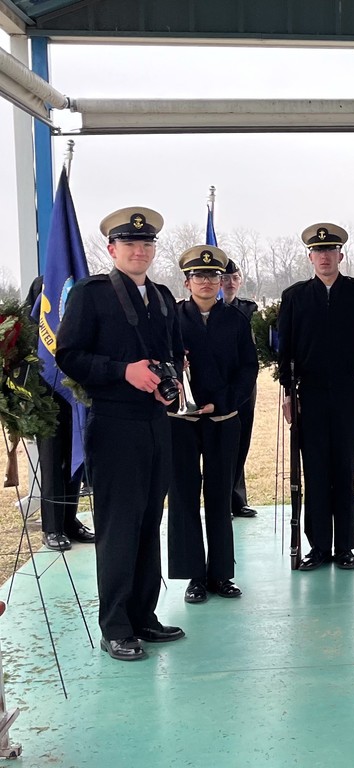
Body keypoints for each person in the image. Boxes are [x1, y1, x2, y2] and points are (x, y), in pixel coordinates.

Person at [56, 206, 186, 661]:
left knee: (150, 522)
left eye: (147, 244)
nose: (139, 250)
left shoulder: (164, 296)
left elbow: (171, 352)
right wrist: (121, 371)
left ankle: (143, 616)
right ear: (112, 250)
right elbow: (68, 356)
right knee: (118, 527)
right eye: (130, 244)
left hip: (156, 424)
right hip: (113, 424)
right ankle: (115, 625)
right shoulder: (92, 294)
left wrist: (171, 387)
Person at [277, 223, 354, 571]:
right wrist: (286, 391)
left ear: (340, 255)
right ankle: (318, 547)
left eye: (330, 251)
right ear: (310, 256)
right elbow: (286, 350)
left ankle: (344, 548)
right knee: (315, 470)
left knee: (343, 470)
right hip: (308, 394)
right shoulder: (294, 296)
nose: (324, 257)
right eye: (317, 251)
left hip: (347, 393)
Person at [167, 246, 258, 604]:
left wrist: (222, 403)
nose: (207, 282)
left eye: (213, 276)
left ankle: (221, 574)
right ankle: (194, 577)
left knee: (220, 496)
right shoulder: (171, 319)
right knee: (184, 497)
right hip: (181, 422)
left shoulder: (236, 320)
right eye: (199, 276)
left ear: (222, 281)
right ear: (187, 281)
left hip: (223, 420)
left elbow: (247, 369)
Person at [25, 275, 94, 551]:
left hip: (76, 398)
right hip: (46, 399)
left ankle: (69, 520)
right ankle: (52, 527)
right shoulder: (31, 325)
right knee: (53, 463)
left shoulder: (79, 317)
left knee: (76, 460)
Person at [219, 259, 259, 519]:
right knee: (220, 442)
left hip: (244, 384)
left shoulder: (250, 309)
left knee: (241, 440)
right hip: (217, 382)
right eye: (225, 278)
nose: (230, 282)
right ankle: (220, 500)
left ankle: (237, 498)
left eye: (235, 277)